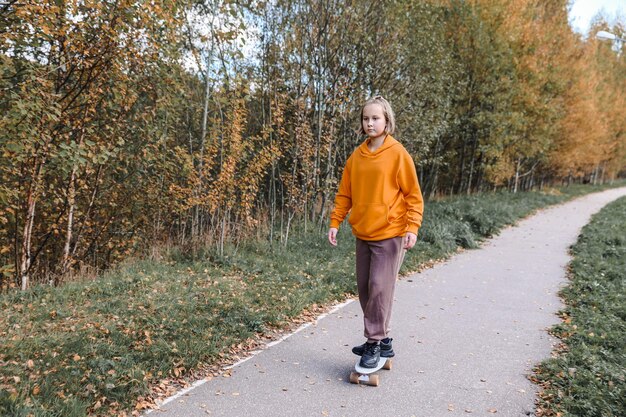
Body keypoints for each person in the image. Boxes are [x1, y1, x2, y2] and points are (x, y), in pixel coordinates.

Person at [328, 95, 424, 368]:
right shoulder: (356, 157)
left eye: (375, 118)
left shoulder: (397, 154)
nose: (370, 123)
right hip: (364, 233)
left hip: (391, 233)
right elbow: (344, 194)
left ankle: (372, 343)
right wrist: (335, 222)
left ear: (387, 121)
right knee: (365, 290)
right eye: (366, 118)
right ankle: (383, 341)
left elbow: (413, 195)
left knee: (380, 287)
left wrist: (412, 227)